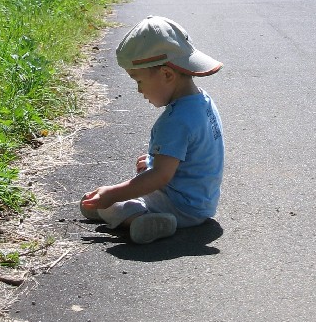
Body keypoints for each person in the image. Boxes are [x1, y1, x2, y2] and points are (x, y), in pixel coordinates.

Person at [80, 15, 224, 244]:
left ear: (167, 74)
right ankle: (115, 209)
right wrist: (151, 160)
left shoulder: (174, 120)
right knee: (124, 189)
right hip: (202, 204)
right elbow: (191, 154)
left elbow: (160, 177)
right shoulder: (202, 102)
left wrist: (111, 194)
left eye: (138, 81)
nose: (139, 90)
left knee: (115, 202)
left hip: (178, 205)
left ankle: (137, 218)